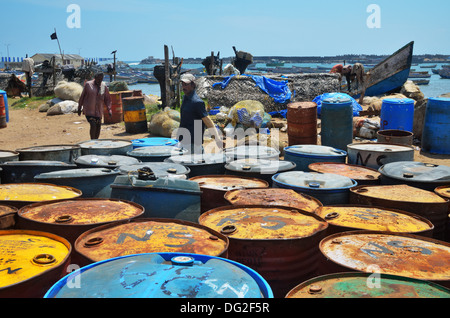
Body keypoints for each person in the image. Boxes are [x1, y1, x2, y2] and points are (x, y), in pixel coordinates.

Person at [176, 73, 224, 154]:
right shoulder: (185, 98)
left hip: (194, 142)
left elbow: (207, 121)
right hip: (183, 139)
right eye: (183, 84)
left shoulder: (197, 102)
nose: (184, 87)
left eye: (186, 84)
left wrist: (217, 139)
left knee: (195, 164)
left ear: (193, 85)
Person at [77, 72, 112, 140]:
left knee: (98, 126)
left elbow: (107, 98)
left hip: (99, 111)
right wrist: (79, 107)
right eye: (98, 79)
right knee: (93, 125)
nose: (100, 81)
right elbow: (82, 96)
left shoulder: (103, 86)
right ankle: (92, 141)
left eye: (101, 79)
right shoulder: (88, 85)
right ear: (95, 78)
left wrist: (109, 109)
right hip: (89, 110)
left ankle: (96, 141)